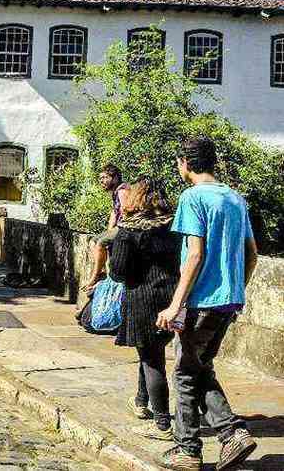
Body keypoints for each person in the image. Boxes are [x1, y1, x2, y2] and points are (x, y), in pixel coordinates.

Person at [155, 137, 258, 471]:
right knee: (200, 367)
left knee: (185, 373)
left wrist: (175, 305)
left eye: (178, 162)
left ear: (185, 162)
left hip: (201, 301)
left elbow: (195, 255)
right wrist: (235, 288)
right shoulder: (234, 198)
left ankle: (190, 448)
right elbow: (252, 254)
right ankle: (231, 435)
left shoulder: (192, 197)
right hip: (228, 302)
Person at [109, 178, 180, 442]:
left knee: (152, 360)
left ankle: (161, 423)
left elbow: (117, 272)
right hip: (172, 298)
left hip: (142, 298)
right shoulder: (175, 225)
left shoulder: (129, 230)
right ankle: (141, 400)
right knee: (151, 349)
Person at [83, 164, 129, 291]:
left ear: (114, 178)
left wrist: (112, 235)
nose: (101, 181)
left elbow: (126, 214)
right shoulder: (115, 192)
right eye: (100, 178)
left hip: (125, 228)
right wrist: (109, 231)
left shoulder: (122, 191)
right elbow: (114, 213)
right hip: (118, 227)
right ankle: (102, 271)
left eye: (104, 177)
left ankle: (95, 276)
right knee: (93, 241)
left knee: (101, 243)